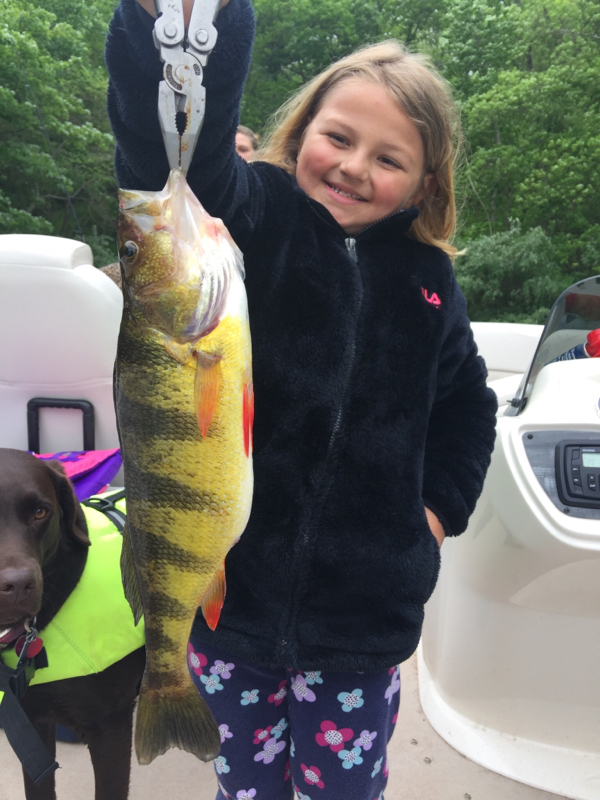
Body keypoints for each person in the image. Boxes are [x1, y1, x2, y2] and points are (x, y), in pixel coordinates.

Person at [105, 1, 498, 798]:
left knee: (344, 790)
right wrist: (194, 26)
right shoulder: (260, 222)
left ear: (426, 184)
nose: (355, 166)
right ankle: (168, 684)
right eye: (339, 137)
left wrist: (433, 516)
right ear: (302, 131)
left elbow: (470, 405)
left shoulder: (432, 285)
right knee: (245, 787)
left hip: (363, 624)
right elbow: (174, 158)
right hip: (232, 611)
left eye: (389, 158)